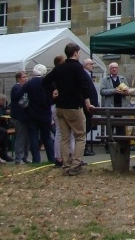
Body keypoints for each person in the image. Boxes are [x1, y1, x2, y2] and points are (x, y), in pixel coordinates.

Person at [42, 43, 93, 176]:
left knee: (64, 137)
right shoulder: (78, 68)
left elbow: (45, 81)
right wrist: (87, 102)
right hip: (74, 106)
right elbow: (84, 87)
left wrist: (54, 90)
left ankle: (66, 165)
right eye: (79, 52)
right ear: (76, 53)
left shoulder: (60, 68)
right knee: (80, 136)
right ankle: (76, 164)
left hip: (60, 106)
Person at [23, 64, 55, 164]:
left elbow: (20, 95)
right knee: (47, 137)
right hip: (45, 113)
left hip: (31, 113)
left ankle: (36, 160)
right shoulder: (47, 83)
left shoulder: (29, 83)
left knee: (33, 137)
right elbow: (53, 95)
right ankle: (51, 159)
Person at [100, 61, 130, 141]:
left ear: (118, 69)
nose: (114, 69)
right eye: (112, 68)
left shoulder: (123, 79)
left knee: (121, 125)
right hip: (110, 106)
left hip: (121, 106)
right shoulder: (105, 79)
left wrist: (124, 92)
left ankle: (120, 143)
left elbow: (128, 91)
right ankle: (109, 145)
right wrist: (114, 91)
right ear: (109, 69)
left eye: (115, 67)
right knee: (110, 126)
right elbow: (102, 91)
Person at [9, 70, 31, 164]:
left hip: (25, 116)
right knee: (21, 137)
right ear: (18, 78)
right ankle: (19, 158)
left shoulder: (23, 88)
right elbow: (21, 100)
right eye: (23, 77)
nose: (26, 79)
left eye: (26, 77)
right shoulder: (16, 88)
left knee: (27, 138)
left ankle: (25, 156)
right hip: (19, 116)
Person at [82, 58, 100, 157]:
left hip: (89, 105)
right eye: (90, 64)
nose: (92, 65)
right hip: (86, 106)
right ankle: (84, 148)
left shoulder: (88, 74)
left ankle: (84, 147)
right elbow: (86, 91)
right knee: (85, 127)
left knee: (87, 127)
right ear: (85, 65)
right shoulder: (84, 75)